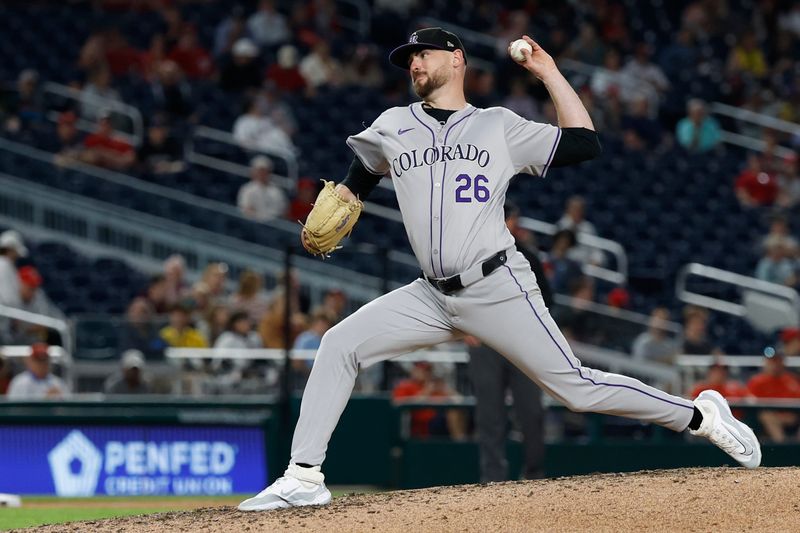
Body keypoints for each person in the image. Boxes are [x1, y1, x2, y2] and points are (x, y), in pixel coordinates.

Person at [237, 28, 761, 512]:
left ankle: (701, 416)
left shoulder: (498, 126)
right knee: (338, 344)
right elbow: (363, 169)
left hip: (497, 285)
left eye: (424, 54)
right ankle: (304, 475)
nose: (414, 63)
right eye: (409, 58)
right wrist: (348, 196)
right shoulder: (394, 124)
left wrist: (549, 73)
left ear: (456, 59)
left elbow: (584, 143)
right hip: (430, 296)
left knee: (576, 389)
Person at [467, 203, 552, 481]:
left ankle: (534, 473)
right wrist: (465, 330)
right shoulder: (471, 254)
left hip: (522, 342)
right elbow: (457, 296)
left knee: (531, 411)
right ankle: (492, 477)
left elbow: (547, 302)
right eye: (511, 219)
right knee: (489, 415)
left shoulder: (526, 256)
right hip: (486, 342)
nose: (514, 224)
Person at [747, 348, 800, 442]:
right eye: (772, 361)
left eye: (778, 361)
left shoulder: (792, 380)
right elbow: (751, 403)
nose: (775, 365)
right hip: (766, 419)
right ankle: (782, 447)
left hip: (791, 417)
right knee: (767, 416)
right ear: (766, 363)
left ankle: (796, 450)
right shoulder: (757, 381)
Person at [237, 156, 289, 221]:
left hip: (272, 225)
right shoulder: (247, 189)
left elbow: (282, 211)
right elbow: (245, 209)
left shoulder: (277, 191)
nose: (261, 173)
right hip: (252, 224)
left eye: (264, 171)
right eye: (259, 171)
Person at [0, 230, 27, 308]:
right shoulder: (4, 265)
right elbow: (8, 298)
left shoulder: (7, 265)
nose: (17, 256)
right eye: (15, 252)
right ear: (9, 250)